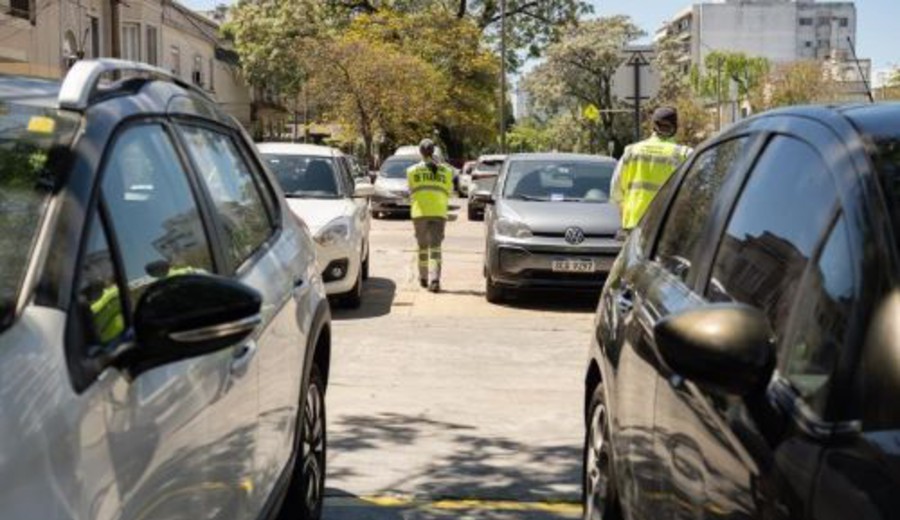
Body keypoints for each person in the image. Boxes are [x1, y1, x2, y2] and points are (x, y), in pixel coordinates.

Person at [611, 106, 693, 233]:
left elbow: (615, 190)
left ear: (653, 126)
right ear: (675, 128)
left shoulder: (632, 151)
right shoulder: (683, 154)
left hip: (634, 222)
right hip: (665, 225)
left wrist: (624, 210)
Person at [407, 138, 454, 293]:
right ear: (433, 151)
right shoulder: (446, 172)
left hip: (419, 213)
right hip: (439, 213)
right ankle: (435, 280)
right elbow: (449, 191)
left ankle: (423, 278)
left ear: (420, 152)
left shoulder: (412, 171)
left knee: (422, 247)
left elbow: (411, 191)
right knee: (435, 248)